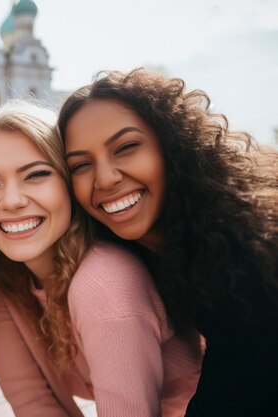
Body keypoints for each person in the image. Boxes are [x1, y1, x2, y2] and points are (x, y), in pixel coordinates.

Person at [59, 68, 278, 416]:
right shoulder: (176, 251)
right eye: (81, 165)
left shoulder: (243, 261)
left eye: (126, 147)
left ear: (173, 146)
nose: (105, 178)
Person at [0, 100, 202, 417]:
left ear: (69, 184)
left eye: (35, 175)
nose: (11, 201)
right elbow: (32, 400)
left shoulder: (103, 283)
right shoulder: (3, 279)